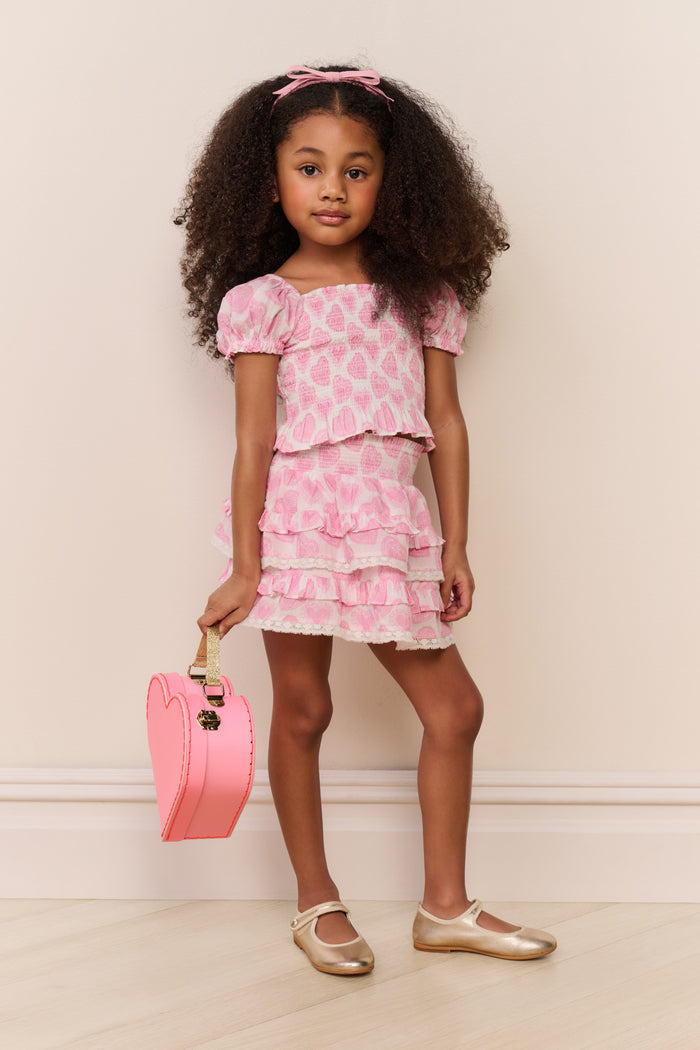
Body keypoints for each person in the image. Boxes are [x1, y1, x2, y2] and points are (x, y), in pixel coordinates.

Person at [175, 64, 557, 976]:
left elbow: (447, 426)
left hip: (391, 530)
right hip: (300, 532)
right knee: (304, 709)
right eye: (310, 167)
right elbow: (253, 444)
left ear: (396, 181)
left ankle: (445, 906)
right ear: (270, 181)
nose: (333, 189)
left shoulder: (421, 298)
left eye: (357, 168)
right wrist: (245, 564)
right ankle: (315, 901)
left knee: (453, 708)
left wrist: (454, 543)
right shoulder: (263, 301)